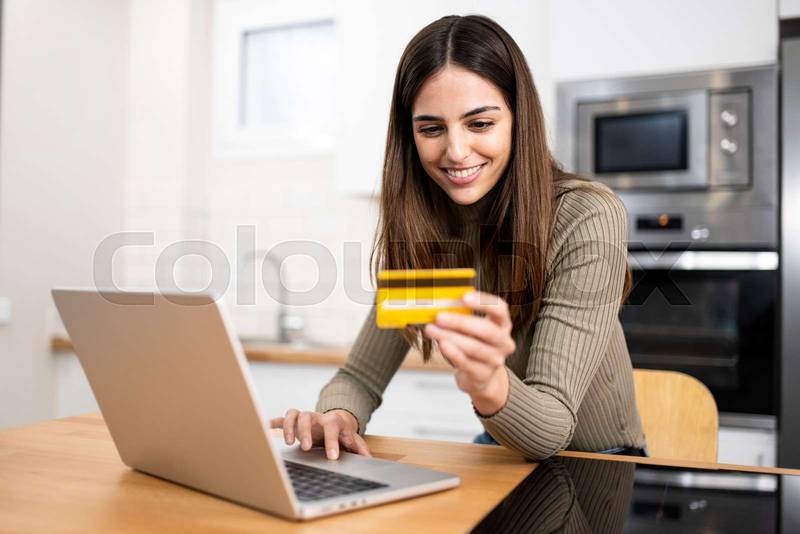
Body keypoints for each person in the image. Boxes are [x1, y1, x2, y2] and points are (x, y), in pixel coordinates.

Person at [270, 14, 646, 461]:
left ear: (517, 120)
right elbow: (360, 378)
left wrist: (488, 384)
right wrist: (336, 416)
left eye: (480, 124)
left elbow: (552, 429)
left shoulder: (585, 214)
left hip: (601, 465)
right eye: (431, 129)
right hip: (502, 450)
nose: (456, 151)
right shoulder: (429, 225)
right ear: (410, 137)